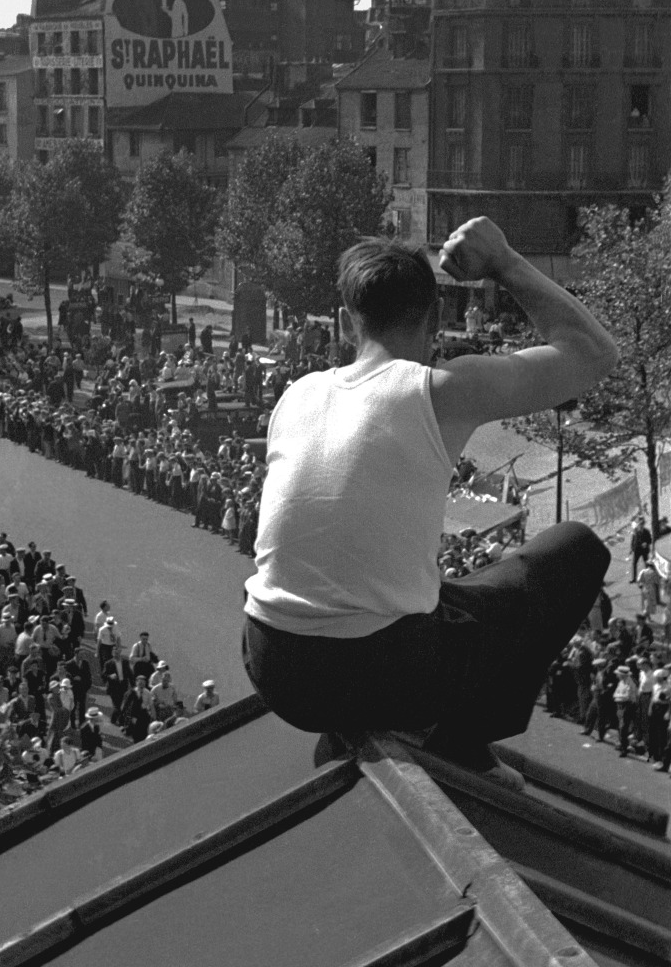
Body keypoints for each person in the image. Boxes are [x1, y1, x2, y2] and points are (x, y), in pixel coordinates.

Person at [242, 217, 617, 788]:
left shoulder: (296, 395)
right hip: (383, 672)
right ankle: (463, 739)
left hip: (272, 664)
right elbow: (594, 354)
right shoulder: (441, 390)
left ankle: (377, 720)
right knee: (575, 551)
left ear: (347, 324)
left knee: (439, 591)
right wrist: (506, 261)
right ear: (434, 321)